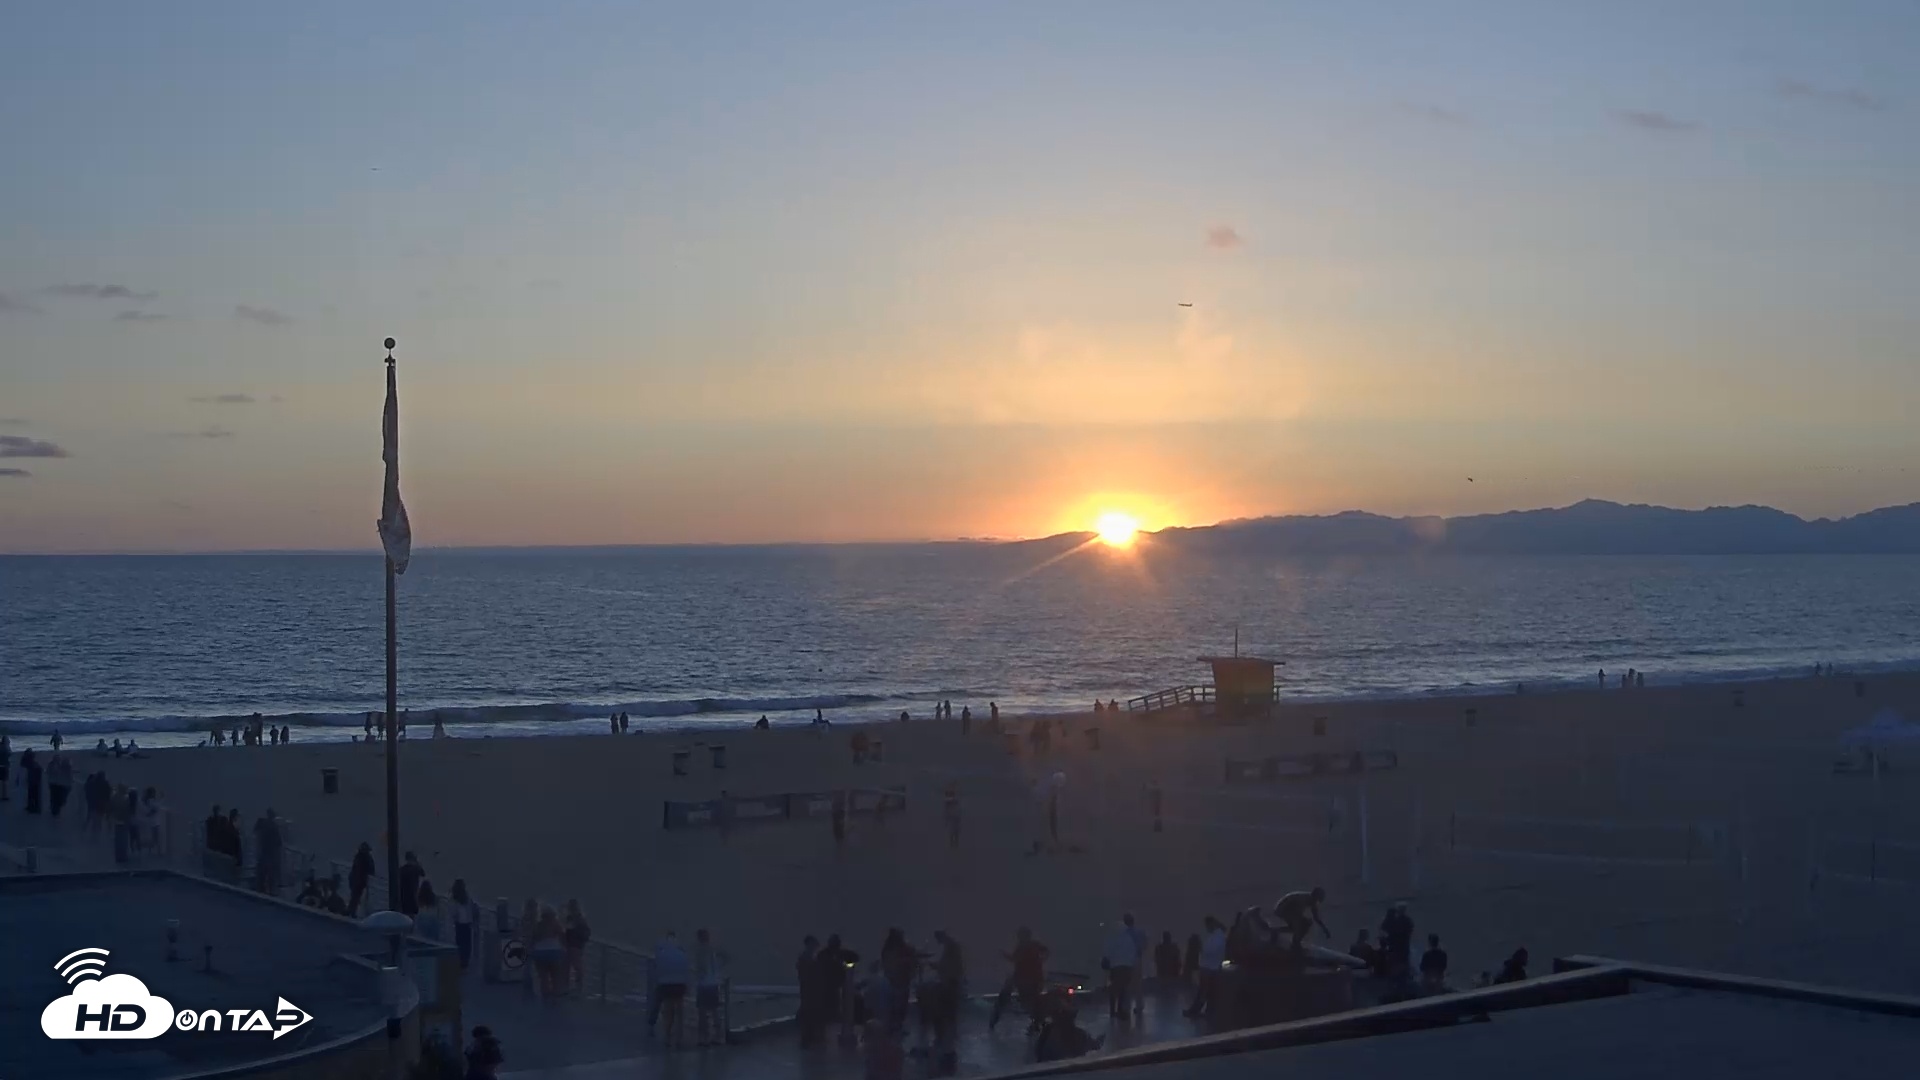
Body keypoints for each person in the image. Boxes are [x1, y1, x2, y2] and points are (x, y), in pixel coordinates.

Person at [988, 927, 1048, 1032]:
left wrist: (1004, 955)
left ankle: (1037, 1023)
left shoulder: (1026, 947)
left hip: (1025, 979)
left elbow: (1015, 959)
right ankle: (1037, 1022)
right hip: (1030, 979)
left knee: (1026, 1001)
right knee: (1030, 1002)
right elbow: (1045, 952)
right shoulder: (1033, 945)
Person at [1102, 914, 1145, 1019]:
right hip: (1130, 964)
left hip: (1116, 966)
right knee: (1132, 986)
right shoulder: (1136, 934)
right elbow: (1139, 947)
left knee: (1116, 988)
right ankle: (1131, 1007)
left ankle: (1116, 1010)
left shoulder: (1114, 937)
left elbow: (1108, 951)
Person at [693, 928, 730, 1046]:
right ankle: (718, 1035)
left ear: (699, 938)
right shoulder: (714, 949)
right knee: (714, 1011)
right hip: (714, 983)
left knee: (702, 1012)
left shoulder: (700, 951)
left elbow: (700, 967)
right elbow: (726, 956)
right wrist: (719, 967)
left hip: (703, 984)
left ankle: (703, 1037)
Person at [1184, 916, 1227, 1018]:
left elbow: (1210, 951)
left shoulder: (1217, 937)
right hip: (1212, 967)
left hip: (1209, 967)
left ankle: (1195, 1011)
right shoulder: (1218, 936)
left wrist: (1200, 947)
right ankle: (1208, 1011)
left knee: (1203, 992)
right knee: (1209, 992)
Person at [796, 935, 825, 1047]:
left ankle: (808, 1036)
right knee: (809, 1011)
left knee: (808, 1011)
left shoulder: (805, 958)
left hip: (808, 989)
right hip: (810, 990)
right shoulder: (807, 959)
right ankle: (809, 1037)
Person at [531, 907, 566, 997]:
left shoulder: (538, 925)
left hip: (540, 952)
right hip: (554, 952)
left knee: (543, 978)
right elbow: (562, 937)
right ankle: (555, 997)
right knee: (556, 977)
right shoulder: (556, 924)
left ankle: (545, 997)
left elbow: (534, 938)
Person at [1379, 903, 1414, 979]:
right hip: (1402, 947)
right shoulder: (1406, 920)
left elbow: (1384, 930)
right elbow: (1410, 931)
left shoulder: (1395, 921)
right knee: (1403, 962)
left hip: (1395, 947)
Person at [564, 899, 592, 992]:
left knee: (573, 967)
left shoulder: (577, 919)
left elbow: (569, 930)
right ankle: (575, 987)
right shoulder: (579, 919)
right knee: (574, 967)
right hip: (574, 946)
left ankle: (572, 987)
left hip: (573, 946)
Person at [450, 880, 479, 969]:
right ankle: (465, 963)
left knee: (459, 944)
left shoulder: (454, 898)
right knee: (467, 945)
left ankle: (460, 962)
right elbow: (472, 908)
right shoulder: (467, 898)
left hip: (459, 924)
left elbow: (453, 912)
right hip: (467, 924)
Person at [348, 841, 376, 916]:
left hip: (355, 879)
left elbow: (354, 869)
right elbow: (371, 870)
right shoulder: (367, 858)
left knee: (354, 896)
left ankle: (351, 910)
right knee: (356, 896)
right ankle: (352, 911)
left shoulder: (358, 857)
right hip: (360, 880)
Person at [47, 752, 73, 817]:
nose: (58, 759)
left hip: (57, 783)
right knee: (55, 797)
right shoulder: (53, 765)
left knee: (56, 797)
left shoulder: (60, 765)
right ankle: (55, 810)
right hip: (54, 783)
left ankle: (55, 809)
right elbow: (50, 772)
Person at [398, 852, 425, 916]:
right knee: (412, 916)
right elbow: (423, 873)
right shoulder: (415, 869)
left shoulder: (402, 869)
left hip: (403, 897)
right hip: (413, 897)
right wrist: (417, 863)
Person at [22, 748, 42, 814]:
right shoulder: (33, 762)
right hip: (34, 780)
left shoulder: (30, 762)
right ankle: (33, 806)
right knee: (33, 794)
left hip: (33, 780)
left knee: (33, 794)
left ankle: (34, 807)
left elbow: (22, 764)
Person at [942, 783, 961, 849]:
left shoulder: (951, 802)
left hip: (954, 817)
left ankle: (954, 843)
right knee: (954, 831)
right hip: (954, 817)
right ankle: (954, 843)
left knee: (954, 831)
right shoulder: (952, 802)